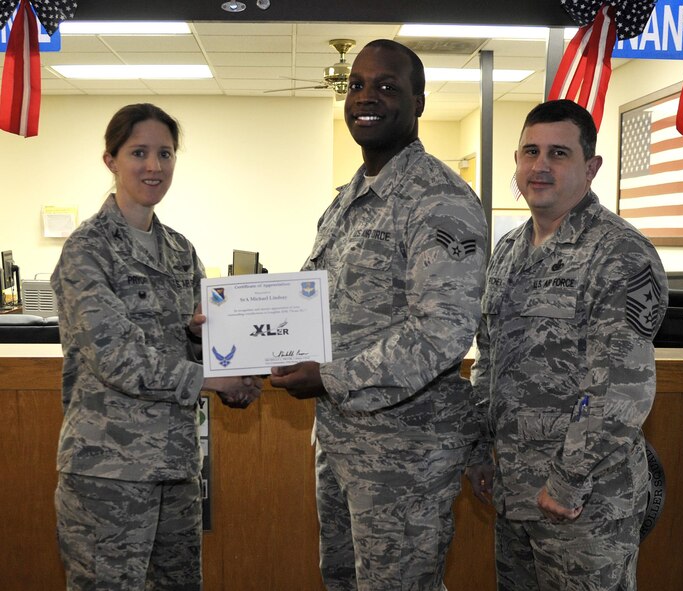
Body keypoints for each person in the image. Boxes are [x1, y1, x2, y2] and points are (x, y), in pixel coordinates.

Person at [269, 39, 488, 590]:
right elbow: (316, 305)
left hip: (404, 459)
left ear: (418, 102)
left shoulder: (439, 199)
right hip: (343, 445)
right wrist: (242, 330)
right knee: (341, 579)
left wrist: (331, 376)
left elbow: (442, 333)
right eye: (357, 85)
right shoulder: (349, 197)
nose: (367, 97)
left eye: (387, 86)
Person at [51, 103, 263, 590]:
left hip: (176, 467)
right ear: (111, 160)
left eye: (165, 154)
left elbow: (195, 349)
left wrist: (219, 359)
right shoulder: (87, 249)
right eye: (139, 153)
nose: (154, 167)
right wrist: (211, 377)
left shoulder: (181, 250)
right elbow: (114, 356)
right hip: (108, 472)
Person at [467, 99, 668, 590]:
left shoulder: (621, 255)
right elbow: (488, 361)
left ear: (590, 167)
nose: (540, 166)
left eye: (559, 154)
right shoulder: (508, 251)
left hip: (583, 504)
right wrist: (479, 449)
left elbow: (620, 391)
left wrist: (567, 481)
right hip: (515, 493)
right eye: (530, 152)